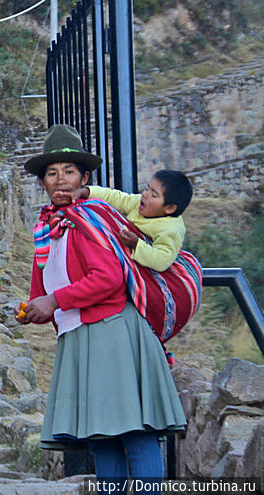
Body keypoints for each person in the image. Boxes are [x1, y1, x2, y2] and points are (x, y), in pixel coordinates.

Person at [19, 124, 185, 490]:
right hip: (80, 336)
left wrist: (54, 301)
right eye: (51, 173)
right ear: (42, 183)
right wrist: (36, 305)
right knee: (102, 438)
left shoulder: (88, 218)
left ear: (85, 178)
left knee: (134, 433)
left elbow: (108, 278)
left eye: (69, 172)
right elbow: (44, 280)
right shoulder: (49, 227)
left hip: (113, 333)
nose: (60, 181)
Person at [63, 170, 193, 272]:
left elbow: (162, 260)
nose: (145, 194)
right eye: (147, 188)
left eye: (154, 195)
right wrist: (87, 191)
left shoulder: (170, 229)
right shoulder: (139, 203)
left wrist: (137, 244)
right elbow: (117, 198)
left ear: (169, 208)